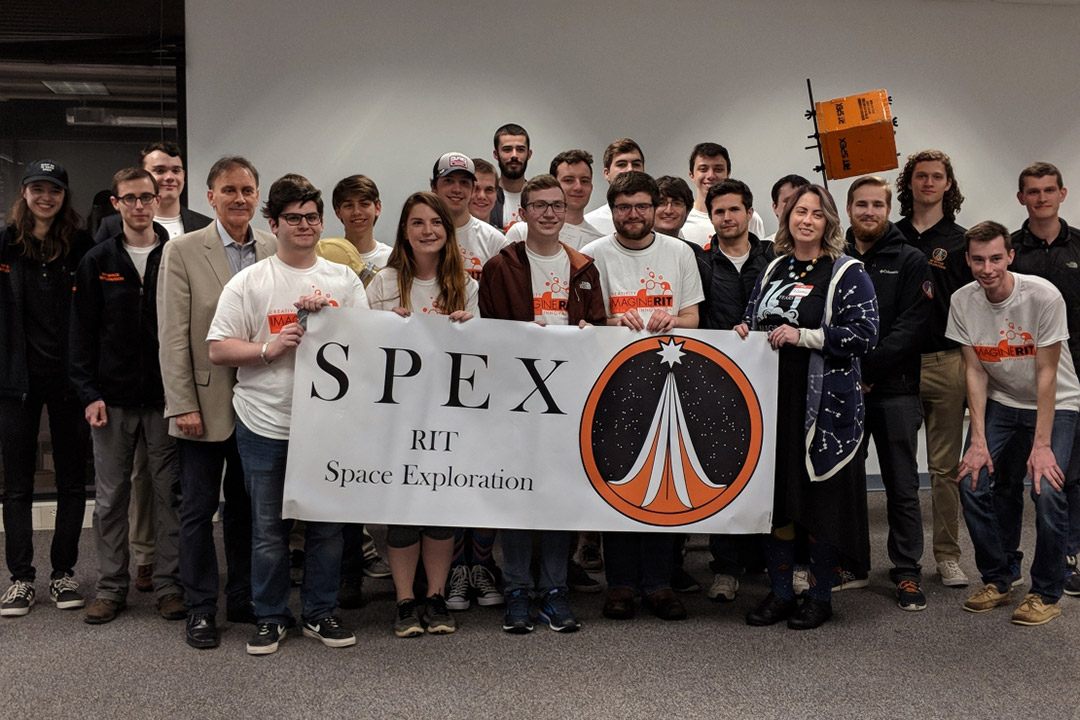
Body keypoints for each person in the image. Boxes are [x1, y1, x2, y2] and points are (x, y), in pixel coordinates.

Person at [208, 174, 368, 655]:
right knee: (268, 531)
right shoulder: (250, 281)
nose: (304, 225)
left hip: (328, 428)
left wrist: (333, 322)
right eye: (293, 218)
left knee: (327, 528)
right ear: (273, 223)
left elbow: (368, 346)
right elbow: (218, 349)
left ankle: (320, 613)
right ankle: (271, 616)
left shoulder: (343, 280)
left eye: (311, 217)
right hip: (265, 422)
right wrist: (269, 347)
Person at [737, 184, 878, 630]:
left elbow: (865, 335)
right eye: (800, 212)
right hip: (773, 400)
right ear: (787, 218)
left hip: (823, 408)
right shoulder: (774, 266)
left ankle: (818, 597)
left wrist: (806, 336)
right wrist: (744, 329)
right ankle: (779, 594)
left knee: (818, 504)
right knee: (777, 503)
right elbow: (752, 314)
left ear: (829, 222)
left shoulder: (847, 271)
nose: (807, 220)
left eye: (817, 214)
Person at [479, 174, 607, 633]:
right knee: (516, 498)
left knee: (556, 497)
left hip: (567, 403)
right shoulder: (501, 266)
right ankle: (516, 590)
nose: (549, 213)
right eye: (539, 206)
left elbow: (597, 329)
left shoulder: (584, 267)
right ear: (524, 213)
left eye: (556, 205)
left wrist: (594, 333)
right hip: (514, 402)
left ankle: (554, 590)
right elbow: (487, 336)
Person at [158, 156, 275, 648]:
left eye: (248, 190)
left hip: (260, 405)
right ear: (210, 197)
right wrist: (181, 403)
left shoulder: (274, 246)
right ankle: (201, 606)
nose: (240, 198)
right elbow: (172, 336)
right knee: (198, 509)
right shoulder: (183, 250)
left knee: (247, 510)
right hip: (203, 407)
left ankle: (244, 597)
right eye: (229, 190)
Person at [581, 171, 704, 621]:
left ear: (656, 208)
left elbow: (693, 315)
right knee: (619, 483)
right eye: (623, 207)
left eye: (641, 206)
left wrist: (672, 320)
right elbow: (586, 323)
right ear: (611, 210)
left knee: (665, 483)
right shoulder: (592, 256)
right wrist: (614, 323)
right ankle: (621, 585)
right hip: (613, 387)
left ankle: (658, 584)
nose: (633, 214)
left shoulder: (680, 253)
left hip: (670, 381)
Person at [946, 221, 1078, 626]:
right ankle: (1000, 577)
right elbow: (975, 372)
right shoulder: (962, 301)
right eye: (979, 260)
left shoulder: (1042, 296)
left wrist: (1041, 447)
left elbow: (1046, 375)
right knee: (972, 479)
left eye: (996, 259)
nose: (988, 269)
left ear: (1010, 257)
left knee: (1047, 488)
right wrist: (978, 440)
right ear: (968, 260)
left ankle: (1046, 591)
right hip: (1003, 400)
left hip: (1056, 401)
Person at [94, 142, 212, 591]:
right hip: (119, 387)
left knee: (170, 487)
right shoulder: (106, 239)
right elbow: (91, 321)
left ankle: (167, 574)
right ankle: (132, 567)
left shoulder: (196, 231)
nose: (167, 179)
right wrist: (91, 389)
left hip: (171, 386)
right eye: (158, 171)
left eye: (175, 170)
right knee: (126, 486)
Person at [70, 167, 185, 625]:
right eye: (129, 199)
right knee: (111, 498)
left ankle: (169, 586)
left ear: (158, 201)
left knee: (168, 496)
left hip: (165, 400)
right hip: (111, 402)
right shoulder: (97, 261)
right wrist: (88, 393)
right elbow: (80, 335)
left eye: (146, 197)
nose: (139, 206)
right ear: (115, 204)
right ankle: (111, 587)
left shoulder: (176, 257)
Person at [366, 191, 477, 637]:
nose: (428, 230)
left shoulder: (466, 283)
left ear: (448, 231)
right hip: (399, 418)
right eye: (417, 222)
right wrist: (383, 328)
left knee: (440, 506)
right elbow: (361, 352)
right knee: (404, 509)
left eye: (436, 222)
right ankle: (404, 600)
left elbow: (483, 355)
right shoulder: (383, 283)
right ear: (404, 230)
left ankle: (435, 596)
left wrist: (473, 328)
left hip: (448, 417)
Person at [0, 160, 92, 617]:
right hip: (14, 378)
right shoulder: (4, 243)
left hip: (69, 379)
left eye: (54, 190)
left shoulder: (80, 245)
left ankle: (63, 573)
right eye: (37, 188)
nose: (45, 197)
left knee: (72, 481)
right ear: (24, 193)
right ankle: (20, 578)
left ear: (63, 196)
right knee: (16, 483)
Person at [845, 176, 933, 611]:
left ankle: (907, 571)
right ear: (848, 210)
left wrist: (868, 368)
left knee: (901, 484)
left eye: (877, 204)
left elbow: (911, 329)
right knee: (845, 481)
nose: (868, 212)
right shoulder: (834, 256)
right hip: (845, 390)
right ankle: (852, 564)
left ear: (887, 209)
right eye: (861, 204)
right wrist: (853, 373)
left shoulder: (911, 259)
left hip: (896, 389)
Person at [693, 178, 776, 602]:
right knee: (724, 473)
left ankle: (779, 563)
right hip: (718, 382)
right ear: (711, 218)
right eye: (719, 212)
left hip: (773, 381)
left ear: (749, 212)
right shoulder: (701, 263)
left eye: (734, 210)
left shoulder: (775, 259)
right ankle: (725, 567)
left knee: (774, 476)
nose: (727, 218)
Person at [1001, 162, 1080, 598]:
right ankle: (1010, 562)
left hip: (1073, 381)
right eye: (1033, 191)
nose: (1042, 198)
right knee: (1011, 480)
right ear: (1021, 198)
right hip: (1019, 382)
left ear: (1062, 194)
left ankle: (1070, 557)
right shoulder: (1009, 252)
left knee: (1068, 476)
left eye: (1050, 190)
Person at [894, 150, 971, 588]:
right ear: (910, 183)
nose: (928, 183)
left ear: (947, 184)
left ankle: (947, 555)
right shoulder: (891, 234)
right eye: (920, 176)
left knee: (944, 468)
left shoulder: (961, 240)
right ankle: (898, 561)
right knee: (899, 467)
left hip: (946, 361)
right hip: (898, 366)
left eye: (936, 176)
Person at [94, 141, 213, 241]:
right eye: (160, 170)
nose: (169, 177)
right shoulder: (113, 226)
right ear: (143, 176)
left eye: (176, 170)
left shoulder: (206, 227)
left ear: (183, 175)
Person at [429, 152, 507, 281]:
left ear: (471, 190)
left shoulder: (495, 240)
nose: (457, 189)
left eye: (464, 182)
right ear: (434, 187)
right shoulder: (423, 235)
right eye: (449, 181)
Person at [504, 150, 604, 250]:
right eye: (568, 180)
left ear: (591, 187)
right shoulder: (522, 231)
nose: (578, 187)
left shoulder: (597, 241)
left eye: (584, 181)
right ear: (553, 184)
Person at [681, 143, 765, 247]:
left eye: (718, 169)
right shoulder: (682, 220)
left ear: (728, 174)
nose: (710, 176)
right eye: (703, 169)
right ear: (692, 175)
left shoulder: (750, 218)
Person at [315, 174, 394, 284]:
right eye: (349, 206)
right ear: (338, 212)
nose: (357, 212)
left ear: (378, 208)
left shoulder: (393, 259)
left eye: (364, 204)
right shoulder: (324, 259)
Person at [583, 138, 645, 236]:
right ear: (607, 173)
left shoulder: (657, 220)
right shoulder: (591, 223)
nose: (630, 169)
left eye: (636, 164)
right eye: (622, 164)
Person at [488, 123, 532, 230]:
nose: (514, 155)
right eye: (507, 149)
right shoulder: (485, 198)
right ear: (496, 154)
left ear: (529, 154)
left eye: (520, 149)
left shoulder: (538, 197)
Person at [763, 175, 811, 242]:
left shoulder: (824, 247)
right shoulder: (765, 249)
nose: (794, 206)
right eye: (787, 201)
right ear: (775, 207)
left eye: (800, 200)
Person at [468, 158, 499, 225]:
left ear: (496, 194)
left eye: (489, 190)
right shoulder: (446, 234)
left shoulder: (500, 235)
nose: (482, 196)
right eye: (476, 189)